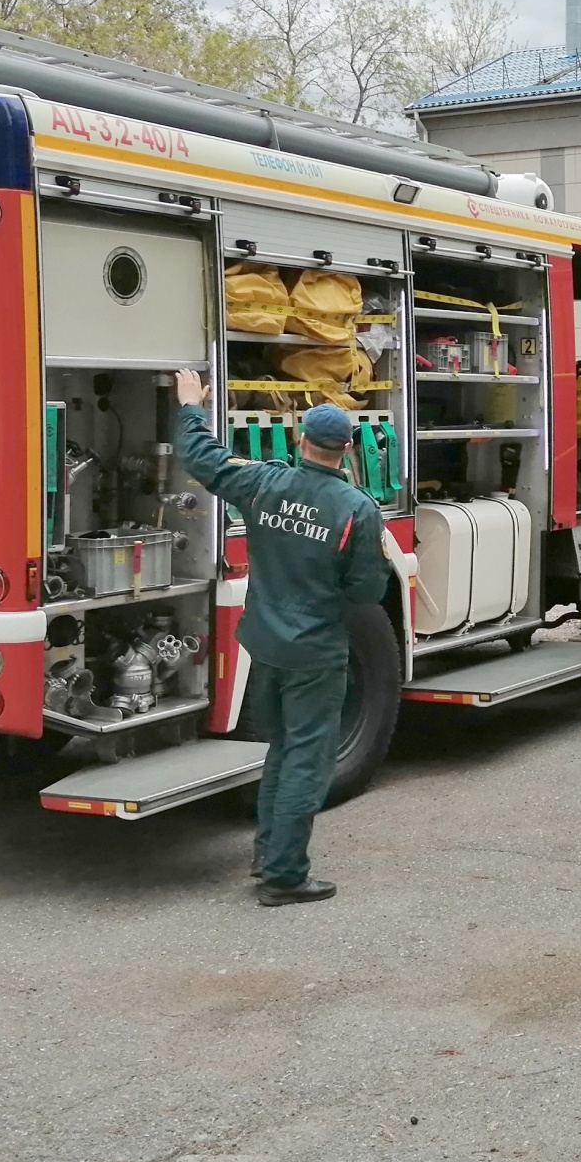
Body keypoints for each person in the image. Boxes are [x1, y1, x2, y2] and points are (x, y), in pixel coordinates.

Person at [173, 374, 392, 906]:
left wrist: (189, 409)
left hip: (265, 645)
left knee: (281, 750)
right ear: (347, 450)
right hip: (315, 652)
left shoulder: (263, 483)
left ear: (299, 440)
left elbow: (203, 460)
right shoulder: (357, 509)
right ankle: (284, 876)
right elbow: (367, 588)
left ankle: (268, 853)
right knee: (307, 759)